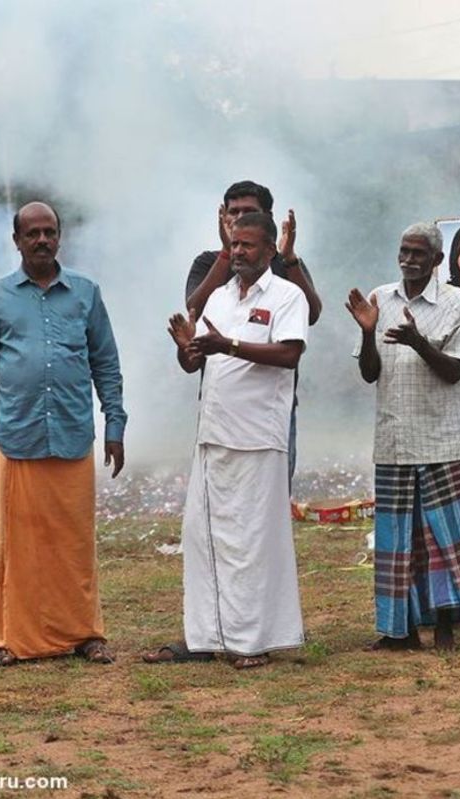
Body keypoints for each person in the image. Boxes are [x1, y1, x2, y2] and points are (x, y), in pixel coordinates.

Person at [0, 201, 127, 667]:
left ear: (59, 237)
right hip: (18, 436)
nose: (41, 240)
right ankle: (11, 639)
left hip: (74, 434)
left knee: (75, 544)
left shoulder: (86, 294)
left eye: (49, 232)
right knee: (17, 547)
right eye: (31, 233)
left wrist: (114, 423)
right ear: (16, 241)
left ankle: (85, 634)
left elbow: (106, 363)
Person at [146, 212, 308, 669]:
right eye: (234, 245)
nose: (238, 252)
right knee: (203, 539)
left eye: (248, 245)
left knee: (253, 543)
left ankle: (252, 642)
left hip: (259, 437)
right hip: (214, 434)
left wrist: (229, 346)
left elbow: (290, 354)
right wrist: (187, 348)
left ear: (270, 250)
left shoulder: (286, 295)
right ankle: (208, 635)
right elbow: (196, 364)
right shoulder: (218, 297)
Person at [347, 222, 460, 651]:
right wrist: (366, 330)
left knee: (442, 540)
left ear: (436, 261)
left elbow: (455, 372)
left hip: (439, 437)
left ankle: (446, 626)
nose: (409, 260)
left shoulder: (455, 302)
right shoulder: (380, 299)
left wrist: (417, 341)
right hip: (394, 438)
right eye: (404, 251)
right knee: (398, 542)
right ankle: (401, 631)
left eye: (418, 253)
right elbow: (369, 372)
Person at [185, 180, 322, 488]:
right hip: (220, 402)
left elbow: (311, 313)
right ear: (223, 217)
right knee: (218, 493)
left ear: (267, 218)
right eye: (233, 212)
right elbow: (194, 310)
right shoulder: (210, 261)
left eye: (249, 211)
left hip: (270, 403)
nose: (238, 218)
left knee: (267, 497)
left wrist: (289, 259)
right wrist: (225, 253)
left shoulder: (283, 262)